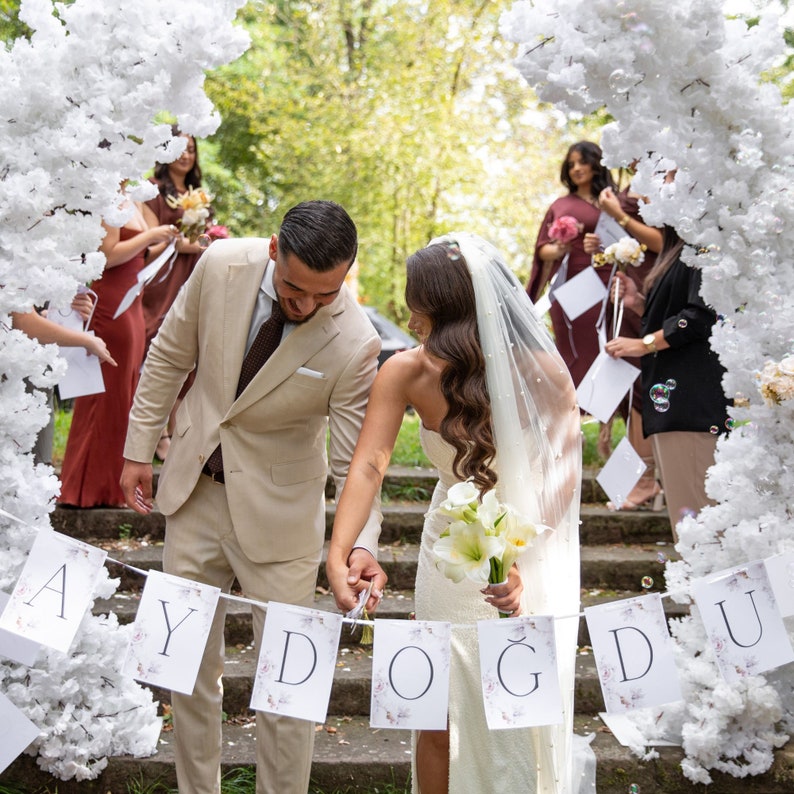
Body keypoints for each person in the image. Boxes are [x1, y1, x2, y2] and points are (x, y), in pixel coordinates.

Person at [119, 200, 387, 794]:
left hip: (283, 519)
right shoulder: (218, 264)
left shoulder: (358, 341)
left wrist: (359, 545)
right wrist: (138, 448)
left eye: (327, 294)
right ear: (273, 249)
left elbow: (355, 462)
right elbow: (168, 355)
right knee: (185, 668)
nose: (309, 306)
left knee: (290, 687)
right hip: (193, 493)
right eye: (296, 290)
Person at [327, 234, 588, 793]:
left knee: (515, 705)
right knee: (434, 710)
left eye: (413, 296)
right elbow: (368, 466)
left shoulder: (542, 369)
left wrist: (519, 559)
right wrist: (339, 550)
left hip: (528, 551)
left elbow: (563, 477)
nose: (407, 309)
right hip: (446, 558)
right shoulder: (404, 371)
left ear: (438, 303)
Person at [605, 225, 730, 539]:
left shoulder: (703, 243)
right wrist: (639, 303)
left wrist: (641, 344)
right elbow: (679, 312)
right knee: (688, 527)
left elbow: (699, 317)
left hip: (690, 402)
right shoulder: (676, 249)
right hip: (671, 405)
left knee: (700, 527)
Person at [58, 193, 177, 507]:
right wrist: (152, 235)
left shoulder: (136, 201)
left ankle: (114, 484)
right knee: (105, 393)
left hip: (134, 297)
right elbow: (107, 255)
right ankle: (87, 487)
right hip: (111, 300)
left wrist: (173, 239)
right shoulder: (106, 198)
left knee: (126, 392)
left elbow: (146, 254)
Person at [529, 141, 618, 459]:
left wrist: (603, 247)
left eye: (582, 162)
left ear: (597, 163)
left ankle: (606, 431)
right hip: (572, 292)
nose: (576, 169)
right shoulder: (561, 205)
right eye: (571, 164)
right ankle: (571, 427)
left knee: (608, 355)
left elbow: (630, 242)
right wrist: (562, 248)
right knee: (574, 356)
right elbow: (543, 250)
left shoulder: (614, 200)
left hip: (610, 288)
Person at [584, 174, 665, 509]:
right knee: (633, 392)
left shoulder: (661, 175)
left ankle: (646, 481)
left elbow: (660, 242)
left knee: (645, 390)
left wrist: (618, 214)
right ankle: (635, 479)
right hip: (626, 289)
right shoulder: (628, 179)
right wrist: (599, 248)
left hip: (650, 288)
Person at [141, 128, 211, 461]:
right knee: (155, 340)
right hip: (162, 277)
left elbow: (199, 236)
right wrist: (185, 243)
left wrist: (205, 242)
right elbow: (154, 240)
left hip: (192, 273)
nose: (186, 155)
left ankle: (173, 430)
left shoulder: (198, 193)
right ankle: (153, 433)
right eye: (180, 148)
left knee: (190, 351)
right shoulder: (152, 191)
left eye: (192, 149)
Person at [12, 293, 117, 465]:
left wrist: (65, 312)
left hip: (36, 376)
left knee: (34, 466)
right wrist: (84, 340)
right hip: (13, 379)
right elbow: (22, 320)